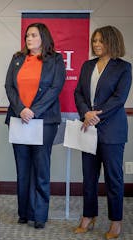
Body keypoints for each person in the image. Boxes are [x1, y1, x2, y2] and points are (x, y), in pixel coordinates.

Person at [4, 23, 66, 229]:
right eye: (27, 35)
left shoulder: (55, 60)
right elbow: (9, 86)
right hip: (18, 118)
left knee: (40, 168)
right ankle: (24, 212)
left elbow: (55, 88)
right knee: (23, 169)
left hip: (44, 120)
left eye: (33, 35)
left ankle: (39, 215)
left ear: (43, 38)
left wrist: (34, 111)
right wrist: (21, 108)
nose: (29, 39)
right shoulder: (17, 58)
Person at [74, 26, 132, 239]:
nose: (97, 44)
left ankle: (116, 221)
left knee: (113, 178)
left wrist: (95, 115)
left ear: (112, 42)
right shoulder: (87, 65)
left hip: (112, 131)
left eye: (101, 41)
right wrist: (85, 114)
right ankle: (88, 216)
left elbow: (119, 98)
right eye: (95, 40)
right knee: (89, 177)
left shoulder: (124, 67)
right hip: (88, 128)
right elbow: (78, 92)